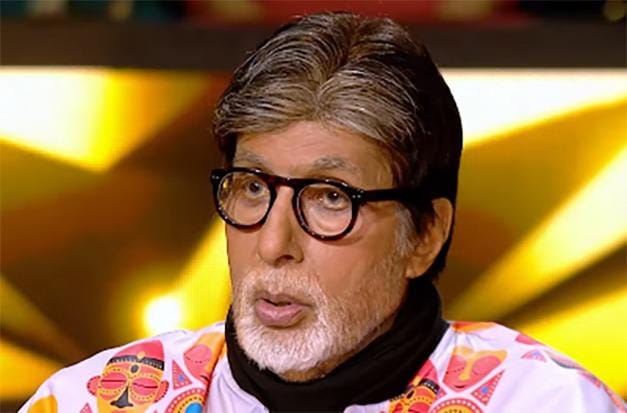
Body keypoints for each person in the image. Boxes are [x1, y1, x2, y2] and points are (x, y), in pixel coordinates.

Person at [20, 11, 625, 413]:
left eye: (331, 197)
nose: (273, 244)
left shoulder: (542, 402)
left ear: (426, 235)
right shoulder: (96, 400)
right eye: (253, 188)